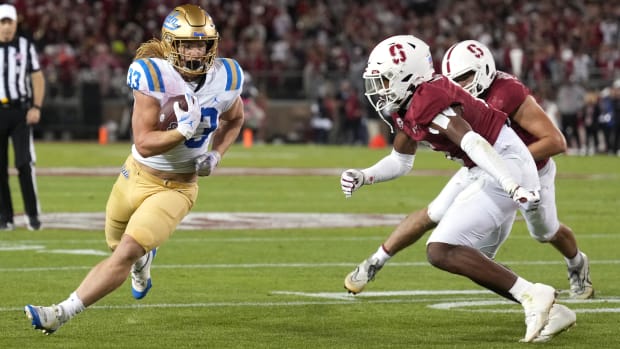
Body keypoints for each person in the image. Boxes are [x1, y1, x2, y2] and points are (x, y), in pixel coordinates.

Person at [24, 4, 244, 335]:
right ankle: (143, 263)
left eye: (201, 43)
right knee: (116, 244)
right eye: (187, 44)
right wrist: (182, 132)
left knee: (125, 250)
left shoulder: (226, 78)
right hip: (135, 173)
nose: (195, 51)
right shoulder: (153, 75)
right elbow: (143, 142)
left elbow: (236, 118)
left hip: (177, 188)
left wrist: (216, 155)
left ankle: (60, 313)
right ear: (172, 45)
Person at [340, 35, 575, 343]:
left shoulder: (427, 99)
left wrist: (511, 184)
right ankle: (552, 309)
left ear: (407, 77)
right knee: (474, 259)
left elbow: (473, 142)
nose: (378, 89)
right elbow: (400, 161)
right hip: (487, 165)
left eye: (384, 80)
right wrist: (364, 175)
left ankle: (534, 295)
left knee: (441, 249)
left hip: (502, 162)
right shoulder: (408, 103)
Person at [0, 4, 45, 231]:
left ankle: (32, 215)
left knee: (23, 163)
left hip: (19, 112)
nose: (6, 27)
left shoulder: (25, 46)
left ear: (16, 23)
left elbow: (37, 77)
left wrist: (36, 106)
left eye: (10, 22)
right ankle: (4, 217)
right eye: (2, 22)